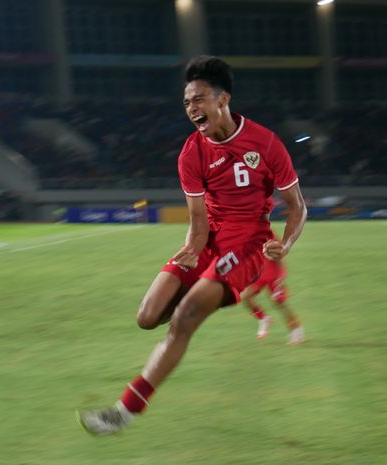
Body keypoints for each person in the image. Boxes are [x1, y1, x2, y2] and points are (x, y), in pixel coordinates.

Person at [77, 55, 307, 436]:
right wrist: (190, 250)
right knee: (148, 316)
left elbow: (297, 206)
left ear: (223, 99)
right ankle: (191, 312)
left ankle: (125, 410)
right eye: (186, 102)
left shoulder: (265, 143)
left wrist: (286, 243)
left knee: (183, 318)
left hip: (248, 242)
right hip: (207, 240)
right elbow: (198, 220)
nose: (191, 109)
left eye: (199, 99)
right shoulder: (191, 153)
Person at [241, 257, 305, 344]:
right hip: (259, 272)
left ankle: (296, 329)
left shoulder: (272, 243)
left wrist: (282, 276)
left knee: (280, 303)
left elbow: (281, 256)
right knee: (245, 296)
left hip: (274, 274)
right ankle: (264, 318)